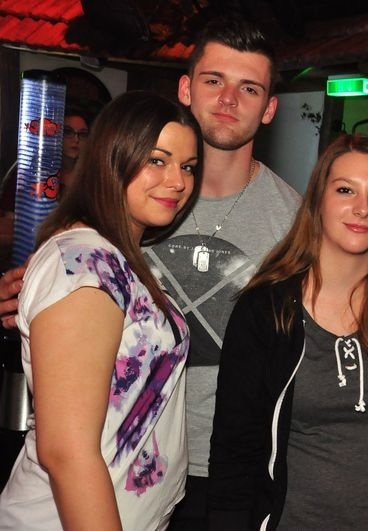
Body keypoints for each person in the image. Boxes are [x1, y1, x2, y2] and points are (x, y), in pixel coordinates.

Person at [207, 133, 368, 531]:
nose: (362, 208)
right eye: (346, 190)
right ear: (318, 199)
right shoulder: (266, 309)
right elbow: (234, 451)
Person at [0, 91, 201, 530]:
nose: (178, 181)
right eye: (157, 160)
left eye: (188, 166)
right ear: (113, 156)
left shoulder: (112, 255)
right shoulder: (86, 263)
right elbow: (67, 452)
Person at [141, 17, 302, 529]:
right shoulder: (135, 197)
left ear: (269, 108)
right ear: (186, 88)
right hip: (126, 450)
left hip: (231, 472)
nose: (229, 99)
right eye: (214, 80)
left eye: (249, 88)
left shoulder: (296, 222)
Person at [60, 105, 91, 189]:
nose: (76, 139)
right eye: (68, 132)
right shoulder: (44, 174)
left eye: (82, 134)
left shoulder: (94, 177)